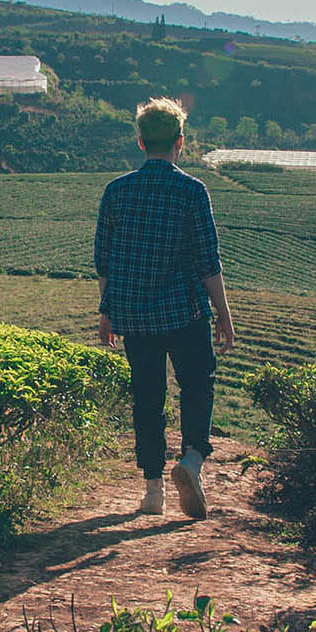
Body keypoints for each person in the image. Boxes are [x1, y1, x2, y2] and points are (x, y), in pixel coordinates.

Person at [94, 97, 236, 519]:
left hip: (135, 316)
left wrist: (108, 311)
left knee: (147, 398)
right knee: (197, 384)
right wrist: (224, 316)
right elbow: (207, 261)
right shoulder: (193, 191)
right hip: (185, 313)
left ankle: (153, 491)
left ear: (140, 142)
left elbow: (105, 260)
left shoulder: (116, 191)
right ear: (181, 143)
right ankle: (192, 459)